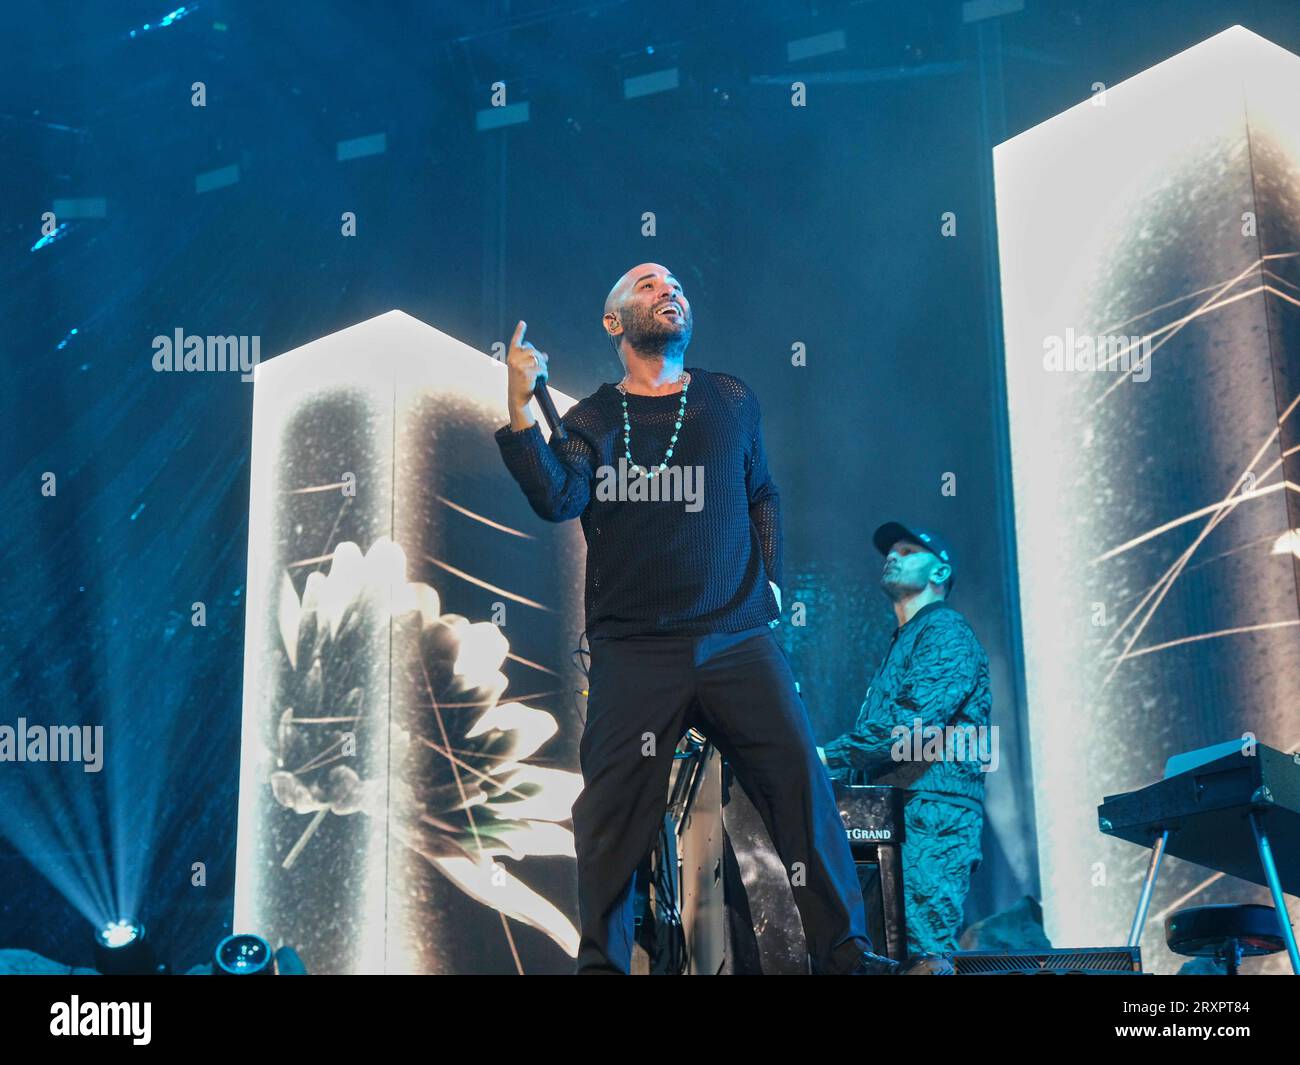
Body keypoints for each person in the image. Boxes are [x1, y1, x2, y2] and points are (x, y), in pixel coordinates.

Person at [495, 262, 896, 974]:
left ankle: (845, 955)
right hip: (634, 650)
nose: (668, 289)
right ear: (614, 321)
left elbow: (762, 492)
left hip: (737, 638)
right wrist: (522, 408)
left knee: (801, 782)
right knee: (613, 812)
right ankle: (603, 966)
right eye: (647, 284)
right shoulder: (590, 418)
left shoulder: (729, 399)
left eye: (675, 283)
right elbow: (557, 498)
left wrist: (770, 580)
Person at [818, 522, 991, 957]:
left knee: (921, 951)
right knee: (894, 951)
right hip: (901, 811)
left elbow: (913, 724)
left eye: (909, 550)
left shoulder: (946, 631)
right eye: (889, 552)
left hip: (931, 811)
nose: (892, 556)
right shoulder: (906, 642)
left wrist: (826, 757)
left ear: (939, 572)